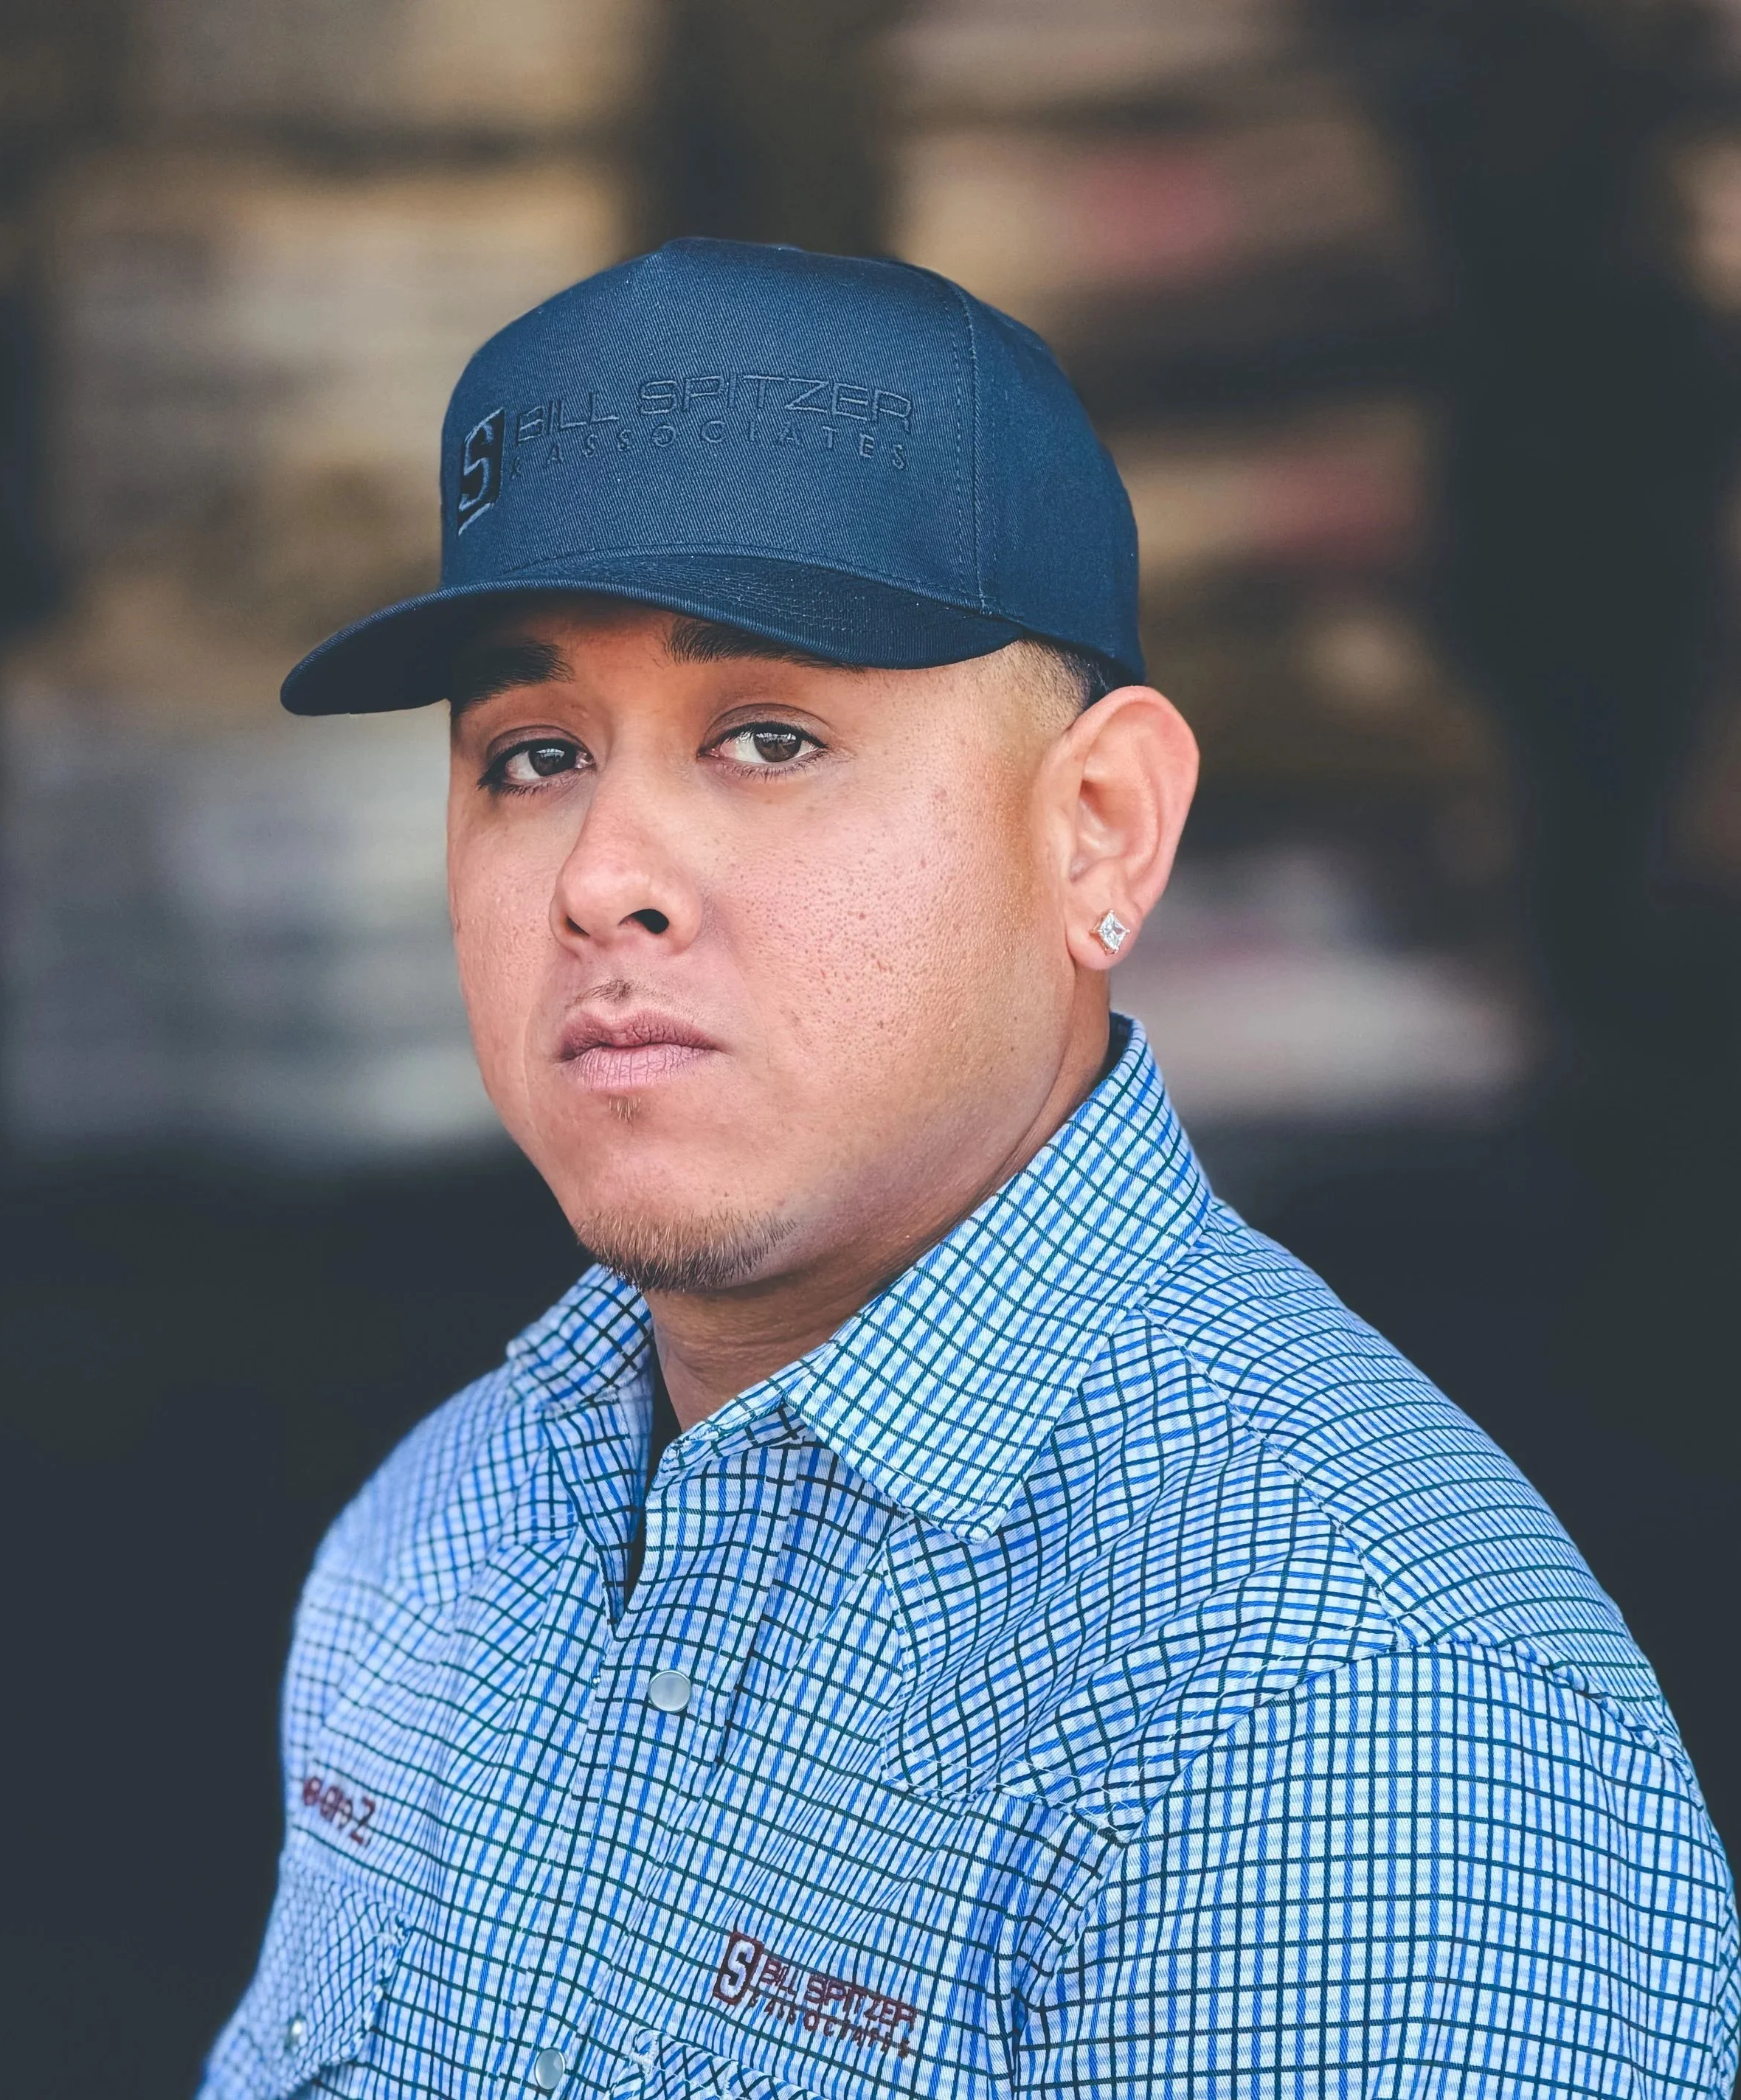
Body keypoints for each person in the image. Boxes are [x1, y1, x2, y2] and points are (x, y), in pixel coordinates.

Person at [201, 239, 1739, 2100]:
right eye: (529, 755)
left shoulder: (1329, 1718)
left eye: (767, 737)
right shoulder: (439, 1539)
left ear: (1100, 830)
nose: (604, 873)